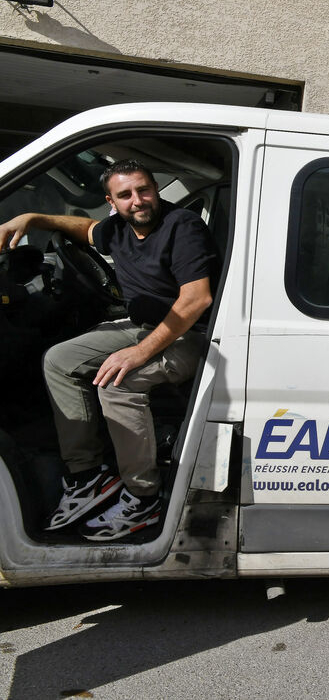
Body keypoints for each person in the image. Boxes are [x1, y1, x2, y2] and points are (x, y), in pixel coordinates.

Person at [0, 160, 218, 541]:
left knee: (119, 383)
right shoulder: (117, 228)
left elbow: (196, 300)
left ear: (155, 190)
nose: (138, 201)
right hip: (142, 326)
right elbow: (84, 228)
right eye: (125, 195)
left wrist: (138, 354)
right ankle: (87, 478)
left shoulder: (182, 226)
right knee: (58, 360)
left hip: (189, 334)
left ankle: (143, 496)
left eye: (144, 190)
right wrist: (33, 217)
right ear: (111, 202)